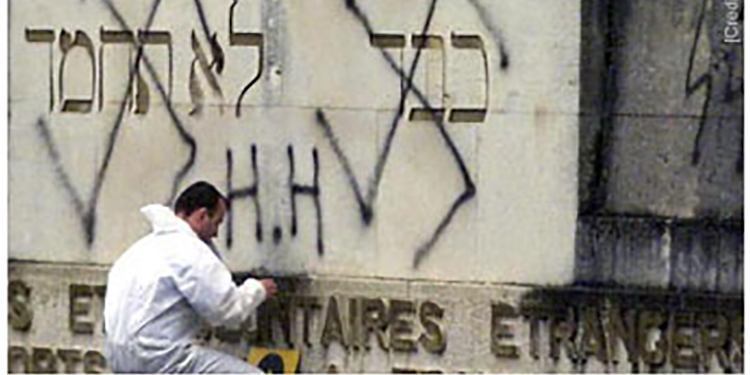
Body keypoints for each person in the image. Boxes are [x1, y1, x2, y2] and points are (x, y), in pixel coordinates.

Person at [104, 181, 277, 373]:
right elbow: (226, 309)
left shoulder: (137, 251)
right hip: (162, 359)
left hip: (120, 360)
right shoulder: (189, 250)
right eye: (217, 223)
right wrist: (257, 290)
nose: (216, 233)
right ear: (202, 215)